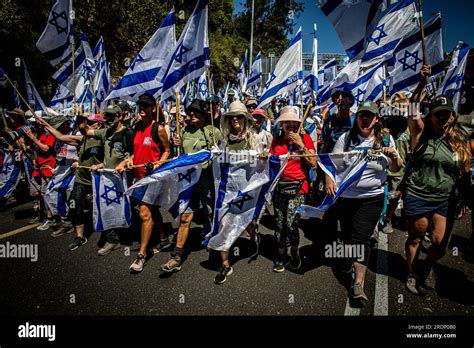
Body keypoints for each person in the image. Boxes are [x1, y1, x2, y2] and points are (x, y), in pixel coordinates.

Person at [404, 65, 471, 294]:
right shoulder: (421, 133)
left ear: (452, 116)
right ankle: (412, 273)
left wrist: (462, 200)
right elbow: (412, 108)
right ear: (431, 115)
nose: (442, 117)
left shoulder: (460, 141)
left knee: (440, 243)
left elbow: (463, 172)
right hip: (418, 195)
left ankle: (428, 266)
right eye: (437, 113)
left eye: (446, 113)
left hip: (444, 199)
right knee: (416, 236)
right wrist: (422, 83)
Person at [328, 101, 402, 302]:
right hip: (346, 198)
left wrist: (394, 156)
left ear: (376, 119)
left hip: (372, 199)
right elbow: (330, 164)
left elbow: (396, 168)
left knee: (361, 238)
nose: (366, 120)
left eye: (370, 116)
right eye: (362, 116)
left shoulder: (385, 139)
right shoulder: (346, 138)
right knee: (347, 236)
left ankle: (358, 283)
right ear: (357, 118)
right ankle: (345, 258)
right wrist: (328, 180)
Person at [160, 99, 222, 274]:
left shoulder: (213, 132)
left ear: (204, 114)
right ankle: (177, 256)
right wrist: (176, 145)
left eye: (196, 113)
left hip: (207, 183)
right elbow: (180, 158)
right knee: (185, 217)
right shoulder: (184, 132)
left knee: (210, 214)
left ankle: (214, 249)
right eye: (190, 113)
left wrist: (216, 150)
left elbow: (221, 156)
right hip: (188, 184)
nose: (192, 115)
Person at [116, 93, 171, 272]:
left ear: (153, 109)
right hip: (138, 178)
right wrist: (129, 160)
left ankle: (141, 255)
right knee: (152, 210)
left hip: (153, 178)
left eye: (146, 106)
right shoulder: (136, 127)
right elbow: (135, 152)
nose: (142, 109)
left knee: (144, 213)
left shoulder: (159, 129)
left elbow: (167, 151)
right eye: (140, 105)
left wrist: (158, 164)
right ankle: (163, 238)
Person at [212, 100, 261, 284]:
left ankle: (254, 238)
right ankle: (225, 263)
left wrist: (262, 156)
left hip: (246, 190)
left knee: (245, 220)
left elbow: (260, 162)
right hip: (227, 191)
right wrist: (215, 155)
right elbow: (220, 165)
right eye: (232, 117)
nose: (235, 120)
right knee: (224, 223)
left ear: (245, 119)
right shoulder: (224, 141)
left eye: (239, 116)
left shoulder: (252, 139)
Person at [82, 104, 134, 256]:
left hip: (124, 176)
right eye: (107, 116)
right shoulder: (105, 132)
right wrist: (81, 119)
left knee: (127, 204)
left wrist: (124, 163)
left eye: (112, 116)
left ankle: (129, 230)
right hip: (107, 176)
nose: (109, 119)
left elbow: (134, 153)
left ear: (120, 116)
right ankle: (112, 239)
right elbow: (86, 132)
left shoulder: (128, 133)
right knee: (105, 204)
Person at [269, 106, 316, 272]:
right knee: (280, 223)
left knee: (291, 223)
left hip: (298, 188)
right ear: (281, 124)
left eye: (293, 122)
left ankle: (294, 251)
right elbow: (271, 162)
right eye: (286, 122)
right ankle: (281, 254)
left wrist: (301, 145)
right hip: (280, 187)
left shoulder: (305, 138)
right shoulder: (277, 140)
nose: (290, 125)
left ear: (298, 124)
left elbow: (313, 163)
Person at [23, 115, 57, 231]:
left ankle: (50, 217)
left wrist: (33, 138)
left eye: (37, 122)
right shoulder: (38, 133)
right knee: (34, 192)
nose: (35, 124)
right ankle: (42, 213)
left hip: (48, 167)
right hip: (38, 168)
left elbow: (46, 149)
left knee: (45, 194)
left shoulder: (50, 134)